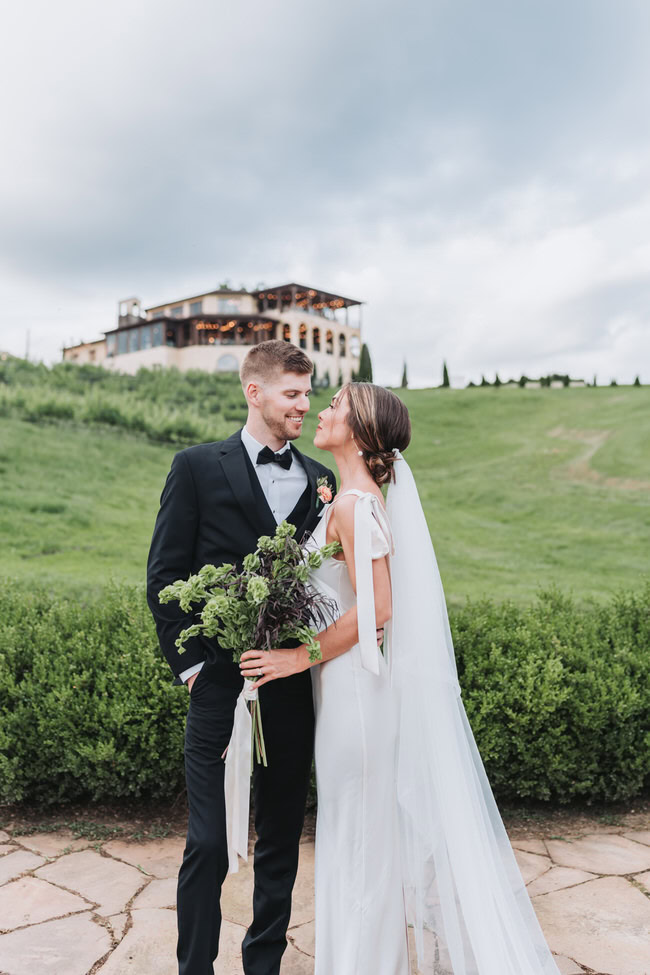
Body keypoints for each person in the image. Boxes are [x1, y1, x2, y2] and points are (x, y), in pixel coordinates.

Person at [240, 381, 563, 975]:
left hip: (353, 697)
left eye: (334, 405)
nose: (321, 411)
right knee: (359, 841)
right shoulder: (354, 498)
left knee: (357, 843)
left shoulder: (353, 505)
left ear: (360, 432)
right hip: (353, 691)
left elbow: (379, 610)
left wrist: (294, 656)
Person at [146, 340, 337, 975]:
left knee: (281, 838)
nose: (304, 406)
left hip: (287, 684)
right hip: (217, 684)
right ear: (254, 392)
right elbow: (165, 576)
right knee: (206, 840)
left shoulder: (319, 481)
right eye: (293, 393)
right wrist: (196, 670)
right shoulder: (197, 466)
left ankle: (264, 967)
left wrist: (302, 658)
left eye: (309, 394)